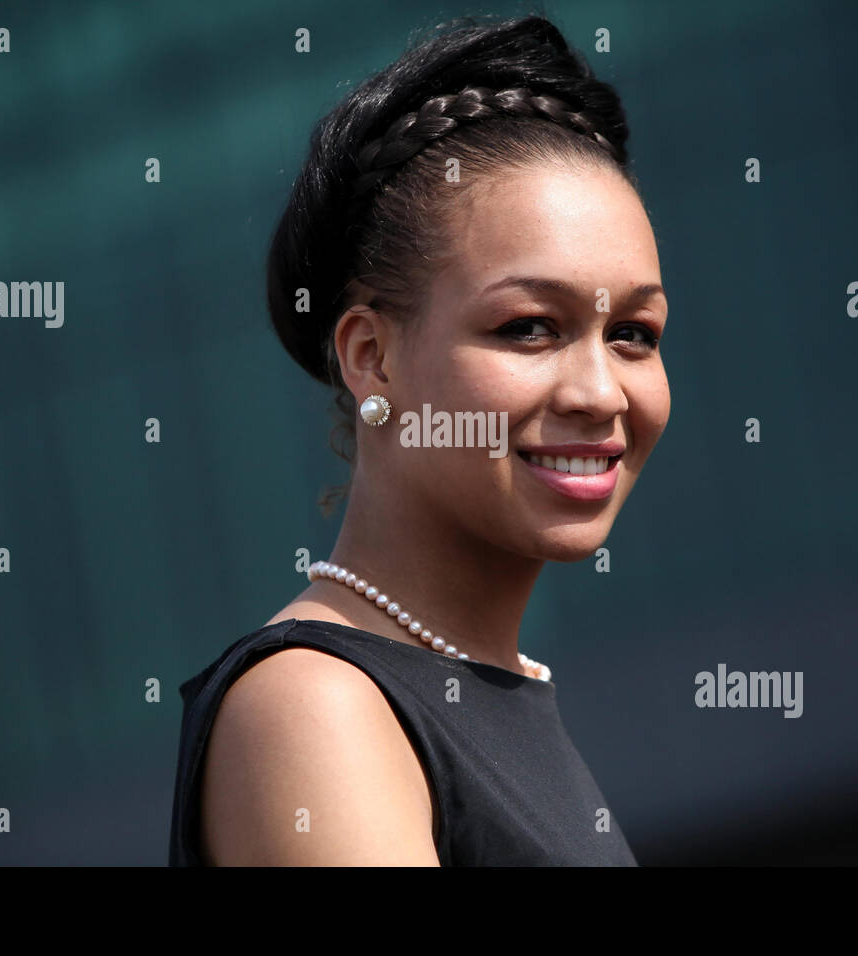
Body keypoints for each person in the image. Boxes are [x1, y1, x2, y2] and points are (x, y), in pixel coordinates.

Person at [168, 13, 670, 866]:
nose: (598, 392)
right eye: (528, 328)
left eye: (633, 333)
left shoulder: (493, 691)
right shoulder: (316, 705)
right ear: (372, 357)